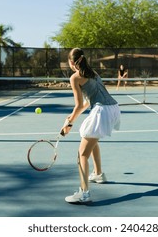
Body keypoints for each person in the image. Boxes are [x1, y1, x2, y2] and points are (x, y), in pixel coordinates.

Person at [61, 48, 121, 204]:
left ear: (71, 62)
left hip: (102, 110)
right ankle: (98, 174)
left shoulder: (75, 78)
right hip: (113, 108)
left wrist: (69, 123)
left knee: (81, 154)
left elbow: (78, 104)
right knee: (91, 139)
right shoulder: (93, 73)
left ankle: (84, 193)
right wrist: (71, 119)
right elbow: (86, 103)